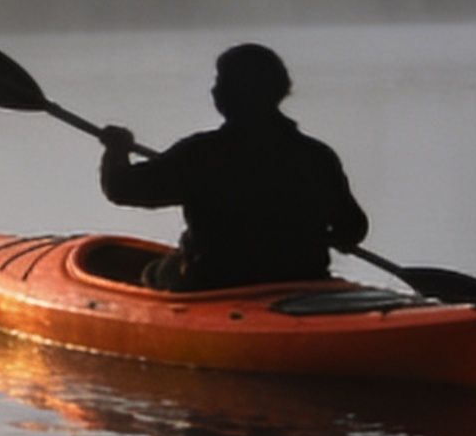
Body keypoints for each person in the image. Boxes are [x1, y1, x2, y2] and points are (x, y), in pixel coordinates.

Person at [94, 43, 370, 291]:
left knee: (154, 273)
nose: (214, 89)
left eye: (220, 81)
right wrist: (328, 237)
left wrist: (116, 151)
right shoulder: (315, 156)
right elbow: (353, 228)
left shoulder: (202, 154)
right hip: (304, 277)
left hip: (214, 282)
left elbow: (122, 188)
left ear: (231, 94)